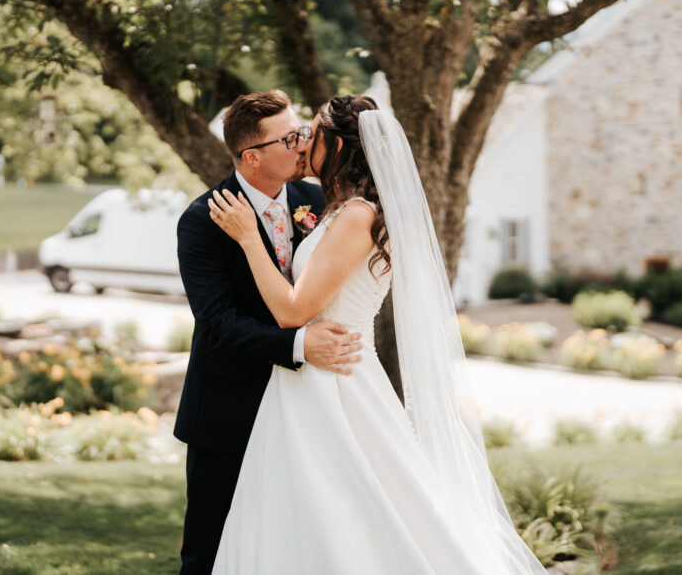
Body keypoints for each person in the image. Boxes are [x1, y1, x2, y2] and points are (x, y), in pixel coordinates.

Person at [207, 95, 548, 574]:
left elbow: (292, 311)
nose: (302, 142)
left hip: (337, 382)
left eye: (311, 134)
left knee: (353, 511)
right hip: (311, 376)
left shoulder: (356, 216)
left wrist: (248, 238)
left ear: (337, 146)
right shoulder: (339, 209)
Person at [174, 90, 367, 575]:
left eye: (301, 132)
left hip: (307, 407)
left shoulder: (319, 201)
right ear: (251, 156)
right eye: (289, 138)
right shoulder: (203, 219)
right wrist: (299, 345)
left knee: (289, 547)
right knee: (210, 549)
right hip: (229, 410)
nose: (302, 144)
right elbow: (217, 324)